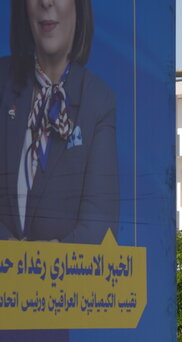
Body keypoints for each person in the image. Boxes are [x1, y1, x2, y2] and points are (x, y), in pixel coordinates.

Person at [0, 0, 117, 242]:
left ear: (79, 5)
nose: (46, 2)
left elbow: (99, 223)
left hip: (62, 267)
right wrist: (10, 253)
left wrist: (45, 257)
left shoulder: (98, 100)